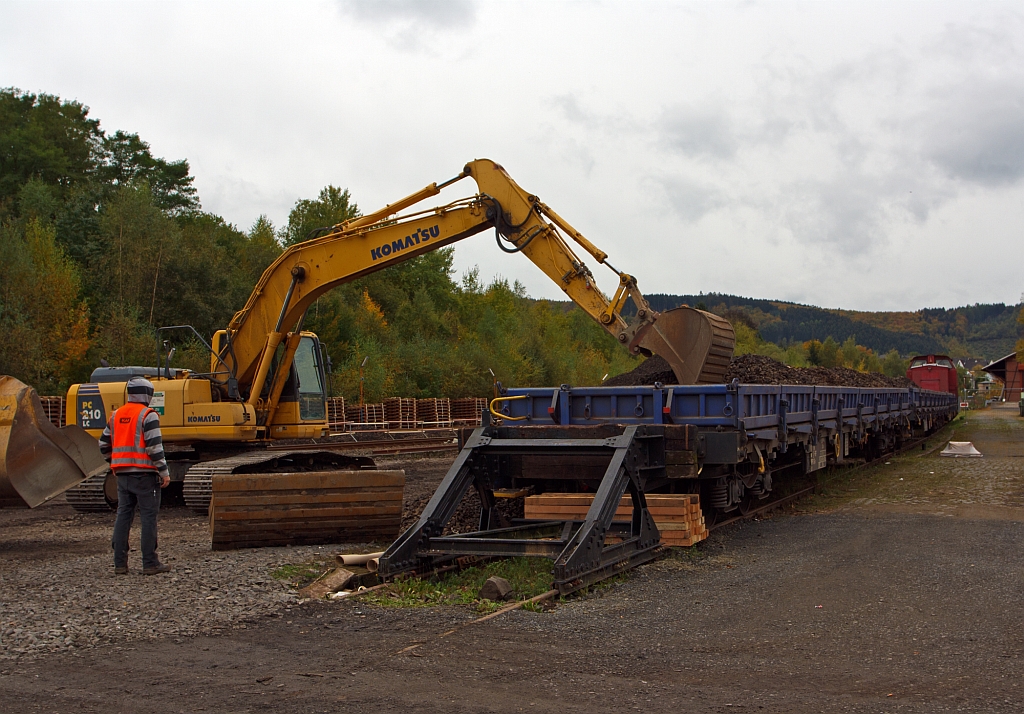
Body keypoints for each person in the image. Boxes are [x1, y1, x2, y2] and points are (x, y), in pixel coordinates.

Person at [99, 377, 172, 575]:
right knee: (148, 517)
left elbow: (103, 444)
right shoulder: (148, 415)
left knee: (123, 516)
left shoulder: (116, 415)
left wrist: (115, 462)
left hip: (122, 475)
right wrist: (164, 472)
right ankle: (150, 563)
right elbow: (154, 447)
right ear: (147, 394)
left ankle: (120, 564)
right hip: (145, 475)